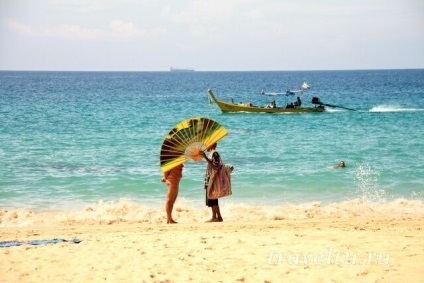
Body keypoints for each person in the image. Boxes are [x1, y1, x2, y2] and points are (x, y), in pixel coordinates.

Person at [202, 143, 223, 222]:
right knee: (211, 198)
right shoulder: (212, 154)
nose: (205, 147)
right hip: (210, 178)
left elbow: (216, 167)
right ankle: (214, 217)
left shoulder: (215, 153)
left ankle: (219, 217)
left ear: (211, 145)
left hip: (213, 179)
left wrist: (205, 157)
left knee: (213, 198)